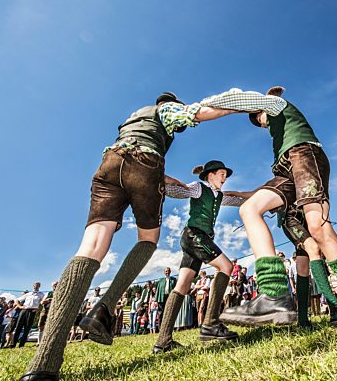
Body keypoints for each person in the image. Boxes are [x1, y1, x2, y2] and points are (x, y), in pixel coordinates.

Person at [19, 90, 246, 381]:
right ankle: (105, 307)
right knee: (148, 240)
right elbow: (196, 113)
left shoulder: (133, 117)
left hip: (110, 163)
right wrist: (234, 107)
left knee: (90, 248)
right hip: (145, 164)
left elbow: (225, 195)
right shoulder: (165, 111)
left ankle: (42, 366)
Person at [204, 86, 337, 345]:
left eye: (258, 118)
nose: (261, 124)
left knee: (317, 228)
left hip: (304, 154)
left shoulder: (276, 105)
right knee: (249, 208)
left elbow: (245, 99)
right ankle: (274, 294)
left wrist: (202, 107)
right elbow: (249, 194)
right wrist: (222, 196)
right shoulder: (274, 131)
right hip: (285, 167)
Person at [152, 160, 243, 354]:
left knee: (183, 285)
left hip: (195, 239)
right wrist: (163, 181)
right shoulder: (199, 188)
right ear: (210, 175)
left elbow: (236, 199)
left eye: (225, 175)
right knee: (226, 267)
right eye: (222, 174)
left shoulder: (219, 195)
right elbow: (179, 191)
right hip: (195, 236)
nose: (225, 178)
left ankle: (163, 342)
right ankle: (210, 322)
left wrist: (264, 199)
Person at [277, 205, 337, 328]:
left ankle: (302, 320)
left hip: (306, 217)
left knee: (303, 264)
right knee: (314, 249)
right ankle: (335, 309)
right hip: (290, 217)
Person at [13, 282, 45, 348]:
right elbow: (17, 300)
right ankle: (13, 344)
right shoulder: (29, 294)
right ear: (33, 286)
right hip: (24, 310)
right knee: (18, 326)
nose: (36, 286)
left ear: (39, 286)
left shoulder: (41, 294)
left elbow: (43, 302)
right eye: (35, 285)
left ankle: (21, 344)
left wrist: (38, 309)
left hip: (32, 311)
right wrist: (20, 306)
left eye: (38, 285)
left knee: (27, 328)